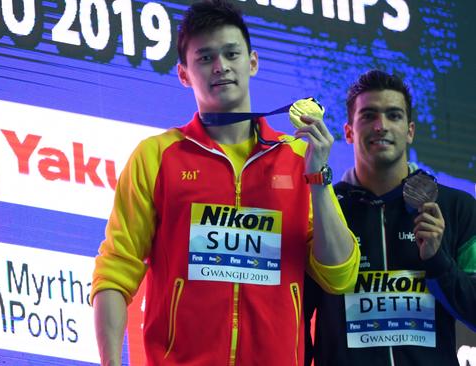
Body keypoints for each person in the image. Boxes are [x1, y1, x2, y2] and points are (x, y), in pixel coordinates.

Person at [90, 0, 360, 364]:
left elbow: (339, 275)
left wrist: (318, 178)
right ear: (184, 74)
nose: (221, 67)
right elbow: (114, 273)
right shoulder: (155, 157)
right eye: (205, 58)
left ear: (252, 62)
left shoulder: (298, 158)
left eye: (232, 53)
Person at [304, 70, 476, 366]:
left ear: (410, 130)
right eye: (368, 116)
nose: (380, 126)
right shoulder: (321, 209)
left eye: (393, 116)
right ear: (348, 132)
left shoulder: (456, 207)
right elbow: (296, 313)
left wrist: (438, 261)